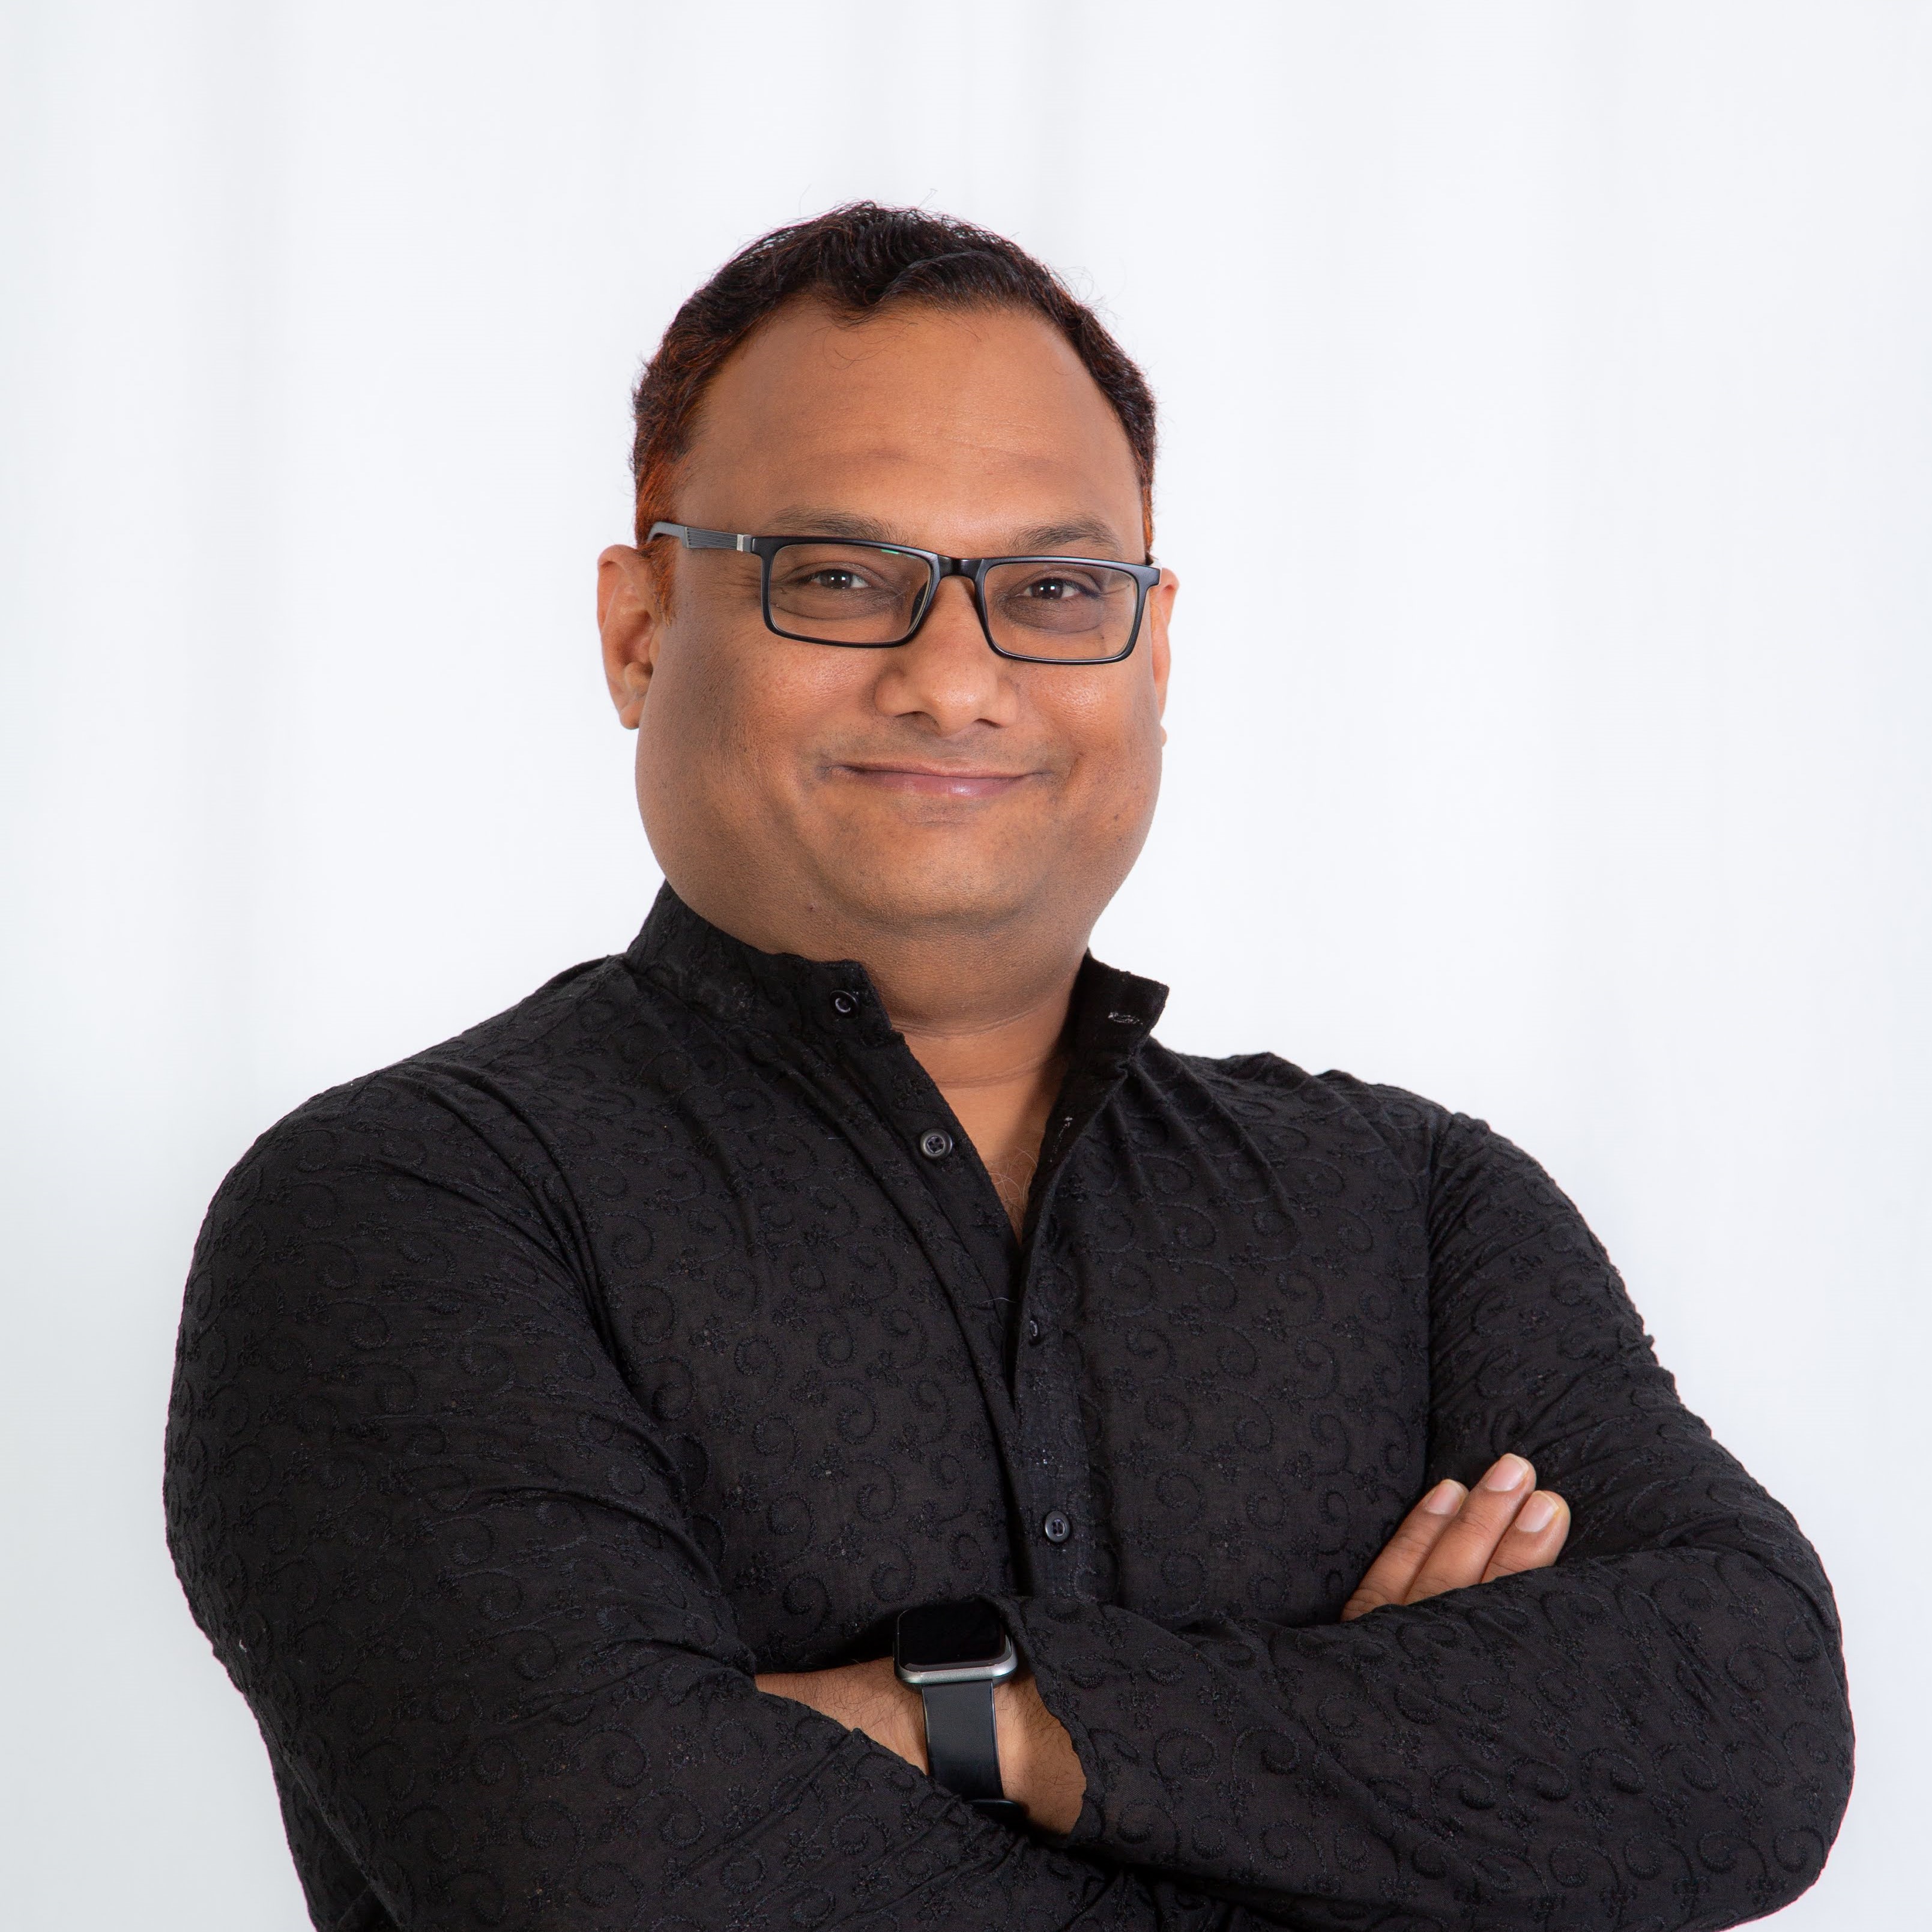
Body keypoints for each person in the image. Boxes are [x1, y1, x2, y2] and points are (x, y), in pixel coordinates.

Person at [165, 204, 1851, 1932]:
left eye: (1052, 591)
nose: (955, 681)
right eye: (837, 578)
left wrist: (971, 1718)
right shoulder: (404, 1217)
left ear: (1153, 650)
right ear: (640, 629)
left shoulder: (1414, 1211)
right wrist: (1398, 1794)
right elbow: (617, 1876)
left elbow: (1756, 1734)